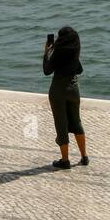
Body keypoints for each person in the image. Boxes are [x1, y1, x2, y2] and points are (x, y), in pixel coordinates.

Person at [42, 26, 88, 169]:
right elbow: (79, 70)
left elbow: (47, 71)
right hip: (74, 90)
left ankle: (65, 160)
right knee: (76, 122)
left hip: (58, 91)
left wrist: (46, 53)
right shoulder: (75, 51)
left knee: (61, 125)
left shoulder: (58, 52)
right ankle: (84, 157)